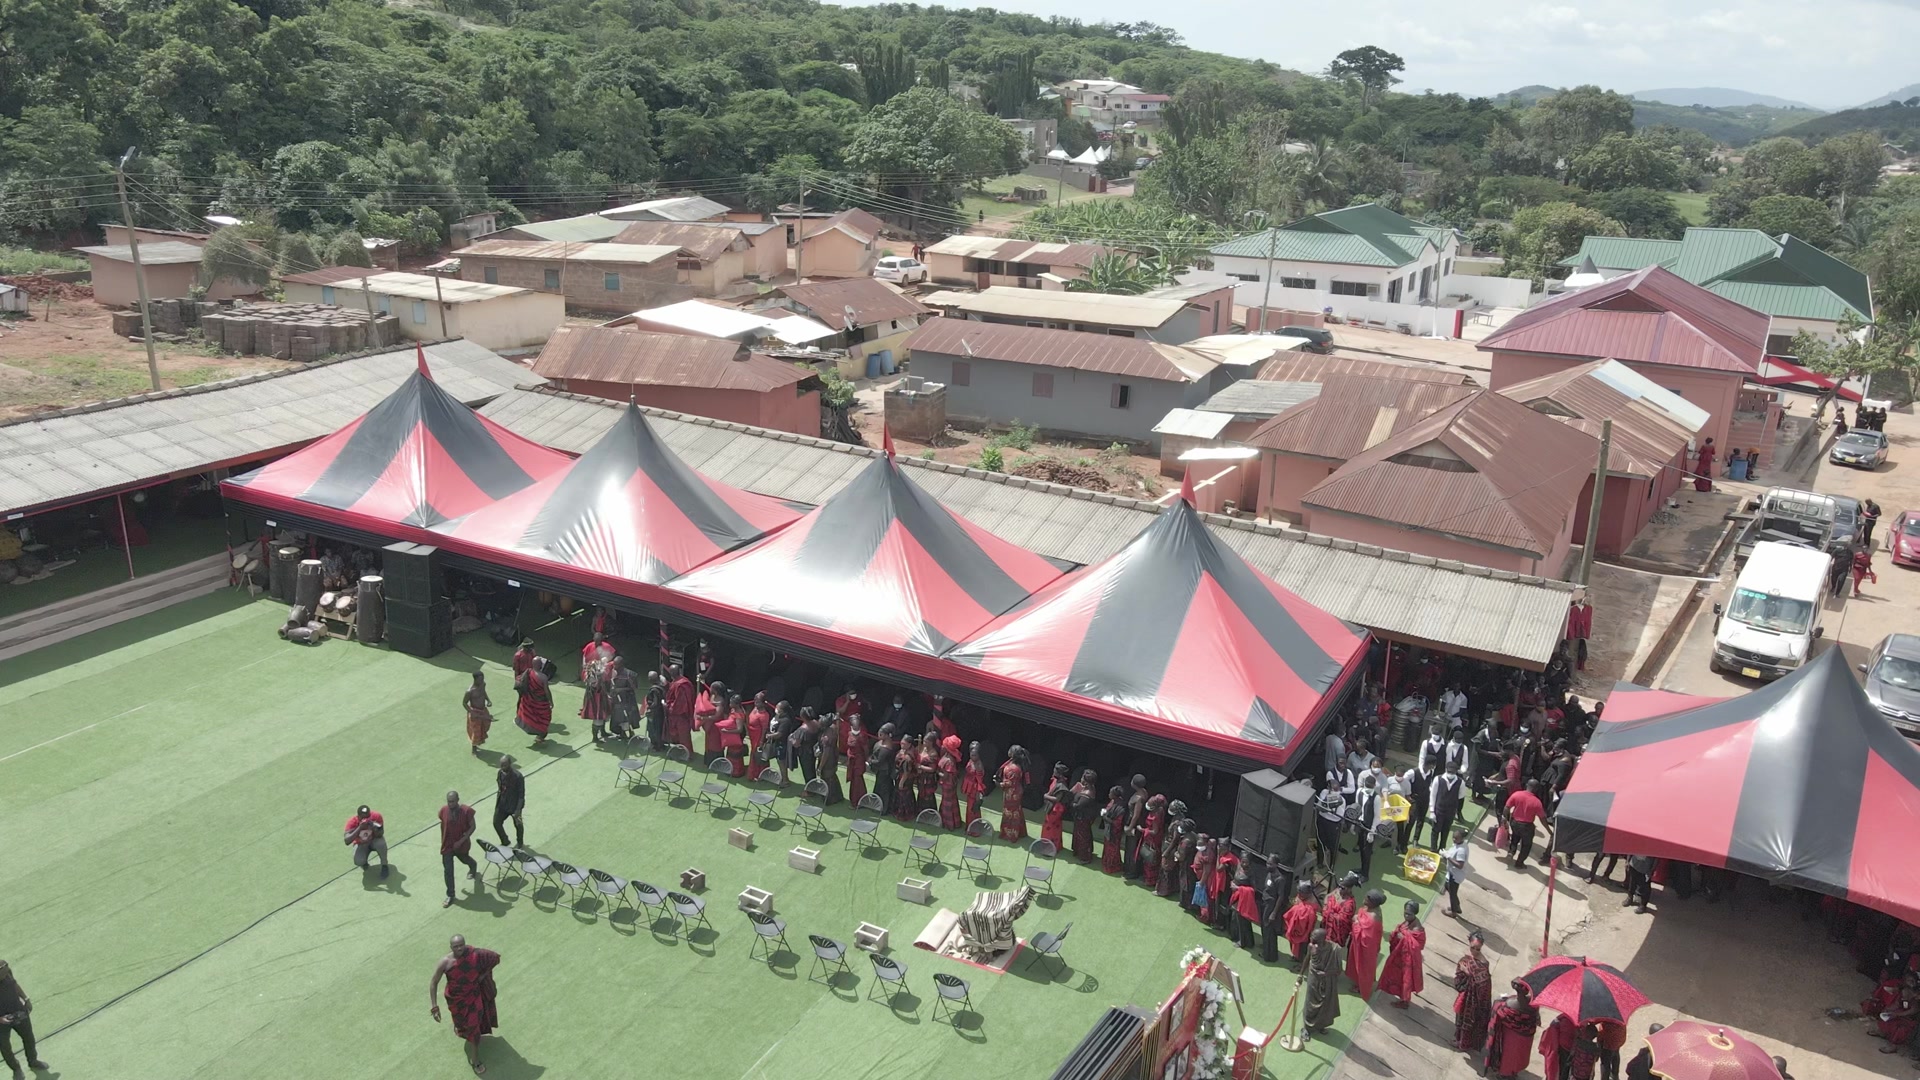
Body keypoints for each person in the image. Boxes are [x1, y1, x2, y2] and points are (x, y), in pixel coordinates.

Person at [428, 935, 501, 1076]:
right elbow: (433, 982)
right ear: (451, 947)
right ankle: (462, 1028)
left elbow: (494, 958)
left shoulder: (474, 954)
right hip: (456, 1000)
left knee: (473, 1029)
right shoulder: (445, 962)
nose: (460, 948)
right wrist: (434, 1007)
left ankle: (475, 1060)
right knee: (462, 1024)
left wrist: (483, 975)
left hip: (474, 997)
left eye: (462, 945)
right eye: (456, 946)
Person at [1483, 980, 1541, 1079]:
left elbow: (1500, 1012)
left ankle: (1505, 1075)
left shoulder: (1511, 1004)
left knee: (1509, 1055)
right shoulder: (1533, 1004)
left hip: (1511, 1035)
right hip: (1526, 1037)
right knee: (1520, 1054)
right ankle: (1514, 1072)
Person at [0, 960, 47, 1078]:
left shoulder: (7, 972)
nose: (6, 974)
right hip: (2, 1020)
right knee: (5, 1046)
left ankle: (33, 1061)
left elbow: (15, 984)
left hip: (18, 1011)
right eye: (3, 972)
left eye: (6, 970)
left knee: (29, 1037)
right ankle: (16, 1069)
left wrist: (26, 999)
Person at [1378, 899, 1426, 1008]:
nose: (1406, 916)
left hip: (1408, 960)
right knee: (1397, 976)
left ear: (1415, 914)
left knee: (1406, 980)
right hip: (1400, 956)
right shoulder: (1408, 922)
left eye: (1409, 914)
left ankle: (1405, 1002)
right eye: (1405, 913)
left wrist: (1404, 938)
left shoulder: (1418, 929)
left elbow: (1418, 946)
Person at [439, 790, 480, 909]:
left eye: (452, 801)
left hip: (461, 844)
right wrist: (443, 841)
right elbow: (442, 824)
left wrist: (461, 841)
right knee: (448, 870)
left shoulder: (466, 811)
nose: (450, 804)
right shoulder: (443, 810)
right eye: (448, 801)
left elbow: (473, 826)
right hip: (448, 846)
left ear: (457, 800)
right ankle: (450, 895)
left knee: (464, 859)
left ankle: (473, 865)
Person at [1452, 931, 1492, 1052]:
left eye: (1477, 949)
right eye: (1472, 948)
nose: (1474, 951)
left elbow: (1484, 985)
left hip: (1476, 1000)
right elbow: (1459, 975)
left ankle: (1464, 1044)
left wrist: (1467, 972)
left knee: (1470, 1021)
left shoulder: (1483, 964)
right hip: (1465, 994)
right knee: (1461, 1017)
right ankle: (1459, 1039)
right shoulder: (1466, 958)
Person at [1301, 928, 1343, 1040]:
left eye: (1314, 937)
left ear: (1322, 939)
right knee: (1310, 1003)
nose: (1311, 938)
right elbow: (1307, 959)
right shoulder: (1311, 946)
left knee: (1325, 1004)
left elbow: (1339, 970)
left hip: (1328, 980)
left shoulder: (1334, 949)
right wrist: (1300, 975)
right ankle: (1307, 1028)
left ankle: (1320, 1025)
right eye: (1312, 935)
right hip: (1314, 978)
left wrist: (1325, 973)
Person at [1346, 889, 1384, 999]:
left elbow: (1366, 936)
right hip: (1361, 944)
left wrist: (1356, 922)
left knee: (1364, 966)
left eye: (1367, 899)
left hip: (1367, 948)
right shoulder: (1373, 909)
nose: (1364, 899)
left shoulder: (1373, 918)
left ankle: (1361, 987)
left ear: (1373, 903)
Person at [513, 658, 553, 746]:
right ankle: (540, 737)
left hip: (530, 700)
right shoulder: (543, 677)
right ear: (539, 665)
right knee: (545, 718)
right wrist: (551, 701)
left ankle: (539, 735)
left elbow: (521, 682)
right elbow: (547, 691)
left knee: (531, 717)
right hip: (541, 702)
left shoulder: (528, 673)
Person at [1506, 780, 1547, 866]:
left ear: (1527, 785)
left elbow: (1507, 807)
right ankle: (1519, 863)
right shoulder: (1537, 802)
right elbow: (1542, 818)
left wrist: (1505, 819)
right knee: (1526, 845)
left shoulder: (1517, 794)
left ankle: (1511, 852)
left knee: (1514, 838)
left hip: (1514, 822)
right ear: (1537, 789)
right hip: (1527, 826)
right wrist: (1549, 830)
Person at [579, 634, 613, 738]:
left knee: (604, 713)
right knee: (596, 715)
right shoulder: (591, 677)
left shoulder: (607, 647)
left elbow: (612, 659)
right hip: (595, 696)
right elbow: (585, 662)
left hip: (603, 691)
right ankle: (595, 737)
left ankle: (603, 731)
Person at [344, 804, 390, 878]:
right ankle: (364, 863)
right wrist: (359, 828)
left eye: (367, 817)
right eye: (363, 818)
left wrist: (374, 828)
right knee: (358, 861)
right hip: (360, 844)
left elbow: (380, 834)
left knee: (381, 844)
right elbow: (347, 841)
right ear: (358, 816)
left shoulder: (376, 816)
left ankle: (384, 865)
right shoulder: (352, 822)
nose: (365, 820)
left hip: (374, 840)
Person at [1258, 854, 1290, 963]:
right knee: (1264, 928)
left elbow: (1281, 897)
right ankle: (1266, 948)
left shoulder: (1280, 879)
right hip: (1265, 902)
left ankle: (1270, 955)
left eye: (1271, 864)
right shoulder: (1269, 874)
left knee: (1269, 930)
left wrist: (1274, 913)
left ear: (1276, 865)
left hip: (1271, 905)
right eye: (1267, 863)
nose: (1268, 865)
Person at [1283, 883, 1321, 967]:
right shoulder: (1300, 897)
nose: (1299, 893)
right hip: (1294, 926)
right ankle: (1295, 956)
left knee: (1302, 947)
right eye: (1299, 891)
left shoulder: (1312, 902)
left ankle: (1301, 963)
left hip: (1303, 929)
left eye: (1301, 892)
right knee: (1293, 943)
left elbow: (1310, 920)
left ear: (1307, 893)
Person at [998, 746, 1031, 841]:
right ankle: (1020, 832)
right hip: (1016, 790)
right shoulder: (1016, 764)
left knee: (1010, 812)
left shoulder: (1013, 768)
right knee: (1017, 810)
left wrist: (999, 784)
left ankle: (1010, 835)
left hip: (1012, 793)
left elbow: (1009, 783)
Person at [492, 757, 525, 849]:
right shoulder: (500, 773)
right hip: (502, 803)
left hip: (514, 805)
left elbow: (521, 794)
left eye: (505, 765)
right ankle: (505, 841)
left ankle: (520, 842)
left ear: (510, 764)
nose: (503, 767)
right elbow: (500, 787)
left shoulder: (518, 776)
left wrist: (518, 810)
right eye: (501, 765)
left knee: (518, 824)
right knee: (496, 822)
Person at [664, 664, 695, 756]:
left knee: (683, 736)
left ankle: (687, 755)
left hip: (681, 715)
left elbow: (680, 703)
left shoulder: (682, 685)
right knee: (676, 735)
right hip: (677, 715)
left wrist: (667, 706)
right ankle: (678, 752)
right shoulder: (681, 681)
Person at [607, 658, 640, 741]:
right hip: (617, 700)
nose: (614, 666)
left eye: (616, 664)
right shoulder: (613, 674)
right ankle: (622, 733)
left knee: (628, 717)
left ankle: (631, 733)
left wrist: (621, 690)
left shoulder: (630, 674)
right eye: (614, 664)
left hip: (628, 700)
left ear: (621, 665)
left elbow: (634, 688)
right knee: (618, 717)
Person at [1140, 794, 1168, 891]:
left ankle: (1150, 880)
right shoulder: (1160, 810)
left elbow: (1155, 831)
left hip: (1153, 839)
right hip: (1154, 837)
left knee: (1150, 858)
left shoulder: (1155, 816)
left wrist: (1143, 830)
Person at [1039, 763, 1071, 848]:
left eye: (1055, 771)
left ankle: (1050, 847)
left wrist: (1046, 796)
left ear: (1060, 774)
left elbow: (1057, 799)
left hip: (1056, 809)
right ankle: (1050, 845)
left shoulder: (1062, 786)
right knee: (1050, 826)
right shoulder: (1055, 780)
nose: (1053, 772)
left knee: (1050, 827)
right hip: (1051, 807)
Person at [1123, 775, 1150, 877]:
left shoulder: (1139, 798)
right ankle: (1133, 869)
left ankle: (1131, 871)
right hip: (1138, 823)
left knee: (1131, 848)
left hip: (1134, 825)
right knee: (1133, 847)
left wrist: (1130, 827)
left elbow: (1136, 815)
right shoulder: (1144, 792)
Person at [1069, 768, 1098, 861]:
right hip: (1080, 817)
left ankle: (1085, 857)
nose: (1081, 779)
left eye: (1082, 778)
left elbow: (1077, 806)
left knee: (1083, 836)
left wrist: (1071, 800)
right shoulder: (1088, 787)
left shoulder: (1087, 794)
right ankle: (1077, 850)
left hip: (1083, 818)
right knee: (1079, 834)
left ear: (1086, 782)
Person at [1323, 872, 1358, 946]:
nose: (1340, 889)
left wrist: (1328, 911)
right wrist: (1326, 905)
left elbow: (1341, 920)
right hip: (1326, 927)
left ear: (1349, 889)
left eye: (1342, 888)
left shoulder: (1350, 904)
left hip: (1337, 933)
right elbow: (1327, 896)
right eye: (1339, 886)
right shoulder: (1337, 891)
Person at [1540, 1013, 1578, 1080]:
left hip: (1562, 1046)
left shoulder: (1563, 1017)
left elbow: (1552, 1025)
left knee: (1558, 1068)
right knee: (1563, 1069)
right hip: (1567, 1048)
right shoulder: (1579, 1021)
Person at [1442, 827, 1471, 917]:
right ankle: (1456, 906)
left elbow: (1460, 865)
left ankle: (1453, 912)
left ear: (1462, 838)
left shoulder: (1461, 850)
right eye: (1453, 837)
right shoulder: (1459, 844)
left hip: (1455, 875)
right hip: (1452, 873)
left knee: (1452, 893)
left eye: (1456, 838)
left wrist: (1448, 857)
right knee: (1448, 887)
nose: (1454, 839)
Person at [870, 724, 898, 815]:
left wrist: (870, 761)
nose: (879, 734)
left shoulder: (887, 748)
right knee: (879, 788)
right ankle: (877, 805)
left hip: (884, 771)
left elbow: (879, 761)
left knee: (884, 790)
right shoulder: (881, 743)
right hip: (880, 770)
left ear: (887, 735)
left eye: (882, 733)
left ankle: (884, 809)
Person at [1229, 872, 1261, 951]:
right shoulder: (1238, 869)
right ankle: (1240, 939)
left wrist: (1239, 888)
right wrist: (1232, 883)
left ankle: (1243, 942)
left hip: (1245, 900)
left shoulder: (1250, 874)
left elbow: (1253, 889)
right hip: (1236, 898)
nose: (1243, 865)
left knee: (1244, 922)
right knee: (1236, 920)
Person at [938, 736, 965, 830]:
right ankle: (954, 822)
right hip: (949, 784)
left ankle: (949, 824)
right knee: (951, 801)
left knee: (948, 803)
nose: (942, 746)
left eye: (944, 745)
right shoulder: (948, 756)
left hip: (948, 784)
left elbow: (945, 776)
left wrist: (937, 772)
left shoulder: (949, 761)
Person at [462, 672, 492, 755]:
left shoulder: (483, 684)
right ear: (475, 679)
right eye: (480, 679)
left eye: (483, 679)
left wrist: (488, 700)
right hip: (475, 711)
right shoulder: (470, 691)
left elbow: (483, 692)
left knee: (486, 725)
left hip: (483, 709)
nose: (482, 681)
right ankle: (474, 748)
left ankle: (480, 741)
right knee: (476, 731)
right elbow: (464, 703)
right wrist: (471, 712)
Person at [844, 714, 871, 804]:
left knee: (857, 779)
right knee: (853, 779)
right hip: (851, 760)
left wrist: (866, 760)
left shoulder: (862, 736)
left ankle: (857, 801)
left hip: (859, 760)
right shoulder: (849, 733)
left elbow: (866, 749)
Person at [815, 715, 843, 805]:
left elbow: (825, 754)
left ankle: (830, 799)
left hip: (828, 760)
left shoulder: (826, 738)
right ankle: (838, 796)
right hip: (834, 755)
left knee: (826, 777)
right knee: (832, 776)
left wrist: (820, 767)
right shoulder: (833, 728)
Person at [745, 692, 773, 780]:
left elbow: (764, 729)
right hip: (752, 736)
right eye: (755, 701)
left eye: (758, 702)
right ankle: (753, 773)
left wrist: (761, 742)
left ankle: (758, 774)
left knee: (757, 755)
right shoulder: (755, 709)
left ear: (763, 703)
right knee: (753, 754)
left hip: (758, 737)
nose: (755, 703)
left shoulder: (764, 715)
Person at [1101, 785, 1128, 874]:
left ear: (1115, 796)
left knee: (1112, 849)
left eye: (1110, 793)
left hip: (1114, 832)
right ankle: (1106, 863)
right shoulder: (1112, 801)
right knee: (1107, 847)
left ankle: (1112, 867)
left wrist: (1105, 817)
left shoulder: (1121, 808)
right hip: (1108, 829)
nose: (1109, 794)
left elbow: (1117, 823)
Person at [893, 734, 919, 822]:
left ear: (909, 744)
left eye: (904, 744)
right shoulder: (907, 751)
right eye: (901, 743)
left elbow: (906, 772)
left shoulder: (907, 758)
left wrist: (901, 782)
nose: (902, 745)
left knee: (904, 796)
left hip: (905, 778)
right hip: (904, 777)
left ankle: (904, 814)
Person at [964, 742, 990, 825]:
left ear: (978, 755)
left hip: (975, 790)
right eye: (971, 754)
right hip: (969, 788)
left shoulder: (979, 765)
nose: (972, 756)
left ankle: (974, 827)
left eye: (974, 755)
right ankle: (969, 825)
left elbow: (979, 781)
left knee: (973, 808)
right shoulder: (971, 761)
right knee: (969, 807)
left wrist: (978, 794)